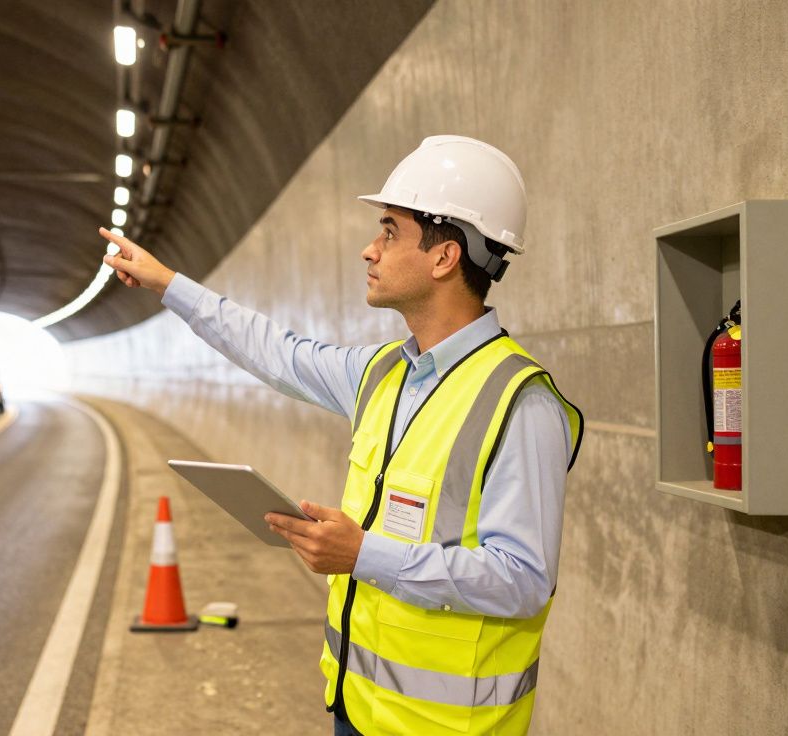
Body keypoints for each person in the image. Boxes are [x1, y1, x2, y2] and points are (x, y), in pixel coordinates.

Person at [99, 135, 583, 736]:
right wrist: (168, 284)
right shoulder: (381, 372)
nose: (369, 250)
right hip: (356, 708)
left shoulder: (520, 401)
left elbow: (523, 580)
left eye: (389, 232)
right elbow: (278, 353)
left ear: (444, 257)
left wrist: (362, 555)